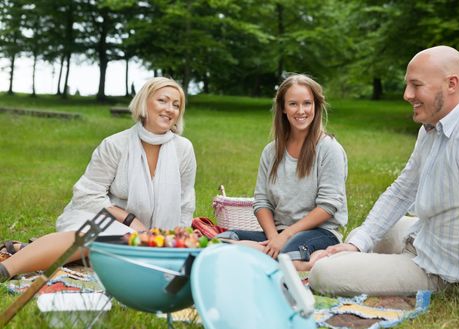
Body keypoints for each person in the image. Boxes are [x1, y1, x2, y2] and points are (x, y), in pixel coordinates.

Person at [309, 46, 459, 329]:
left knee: (324, 273)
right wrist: (357, 244)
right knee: (366, 233)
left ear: (451, 84)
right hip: (425, 235)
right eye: (407, 84)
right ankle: (358, 254)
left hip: (442, 269)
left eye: (416, 85)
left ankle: (365, 265)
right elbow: (402, 190)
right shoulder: (431, 127)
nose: (407, 94)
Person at [0, 77, 196, 282]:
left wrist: (178, 240)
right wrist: (130, 220)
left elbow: (185, 202)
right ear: (144, 102)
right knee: (96, 237)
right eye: (162, 101)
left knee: (129, 261)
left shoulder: (183, 149)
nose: (170, 109)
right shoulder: (115, 145)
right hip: (102, 218)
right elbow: (87, 194)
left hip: (155, 234)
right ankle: (6, 269)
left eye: (176, 105)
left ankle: (33, 250)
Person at [218, 74, 348, 271]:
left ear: (316, 106)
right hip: (279, 232)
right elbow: (262, 202)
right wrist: (273, 238)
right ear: (283, 109)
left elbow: (328, 206)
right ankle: (267, 254)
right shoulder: (271, 151)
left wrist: (285, 238)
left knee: (289, 259)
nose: (301, 111)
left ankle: (312, 260)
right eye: (293, 104)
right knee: (220, 240)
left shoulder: (329, 149)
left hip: (320, 232)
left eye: (307, 103)